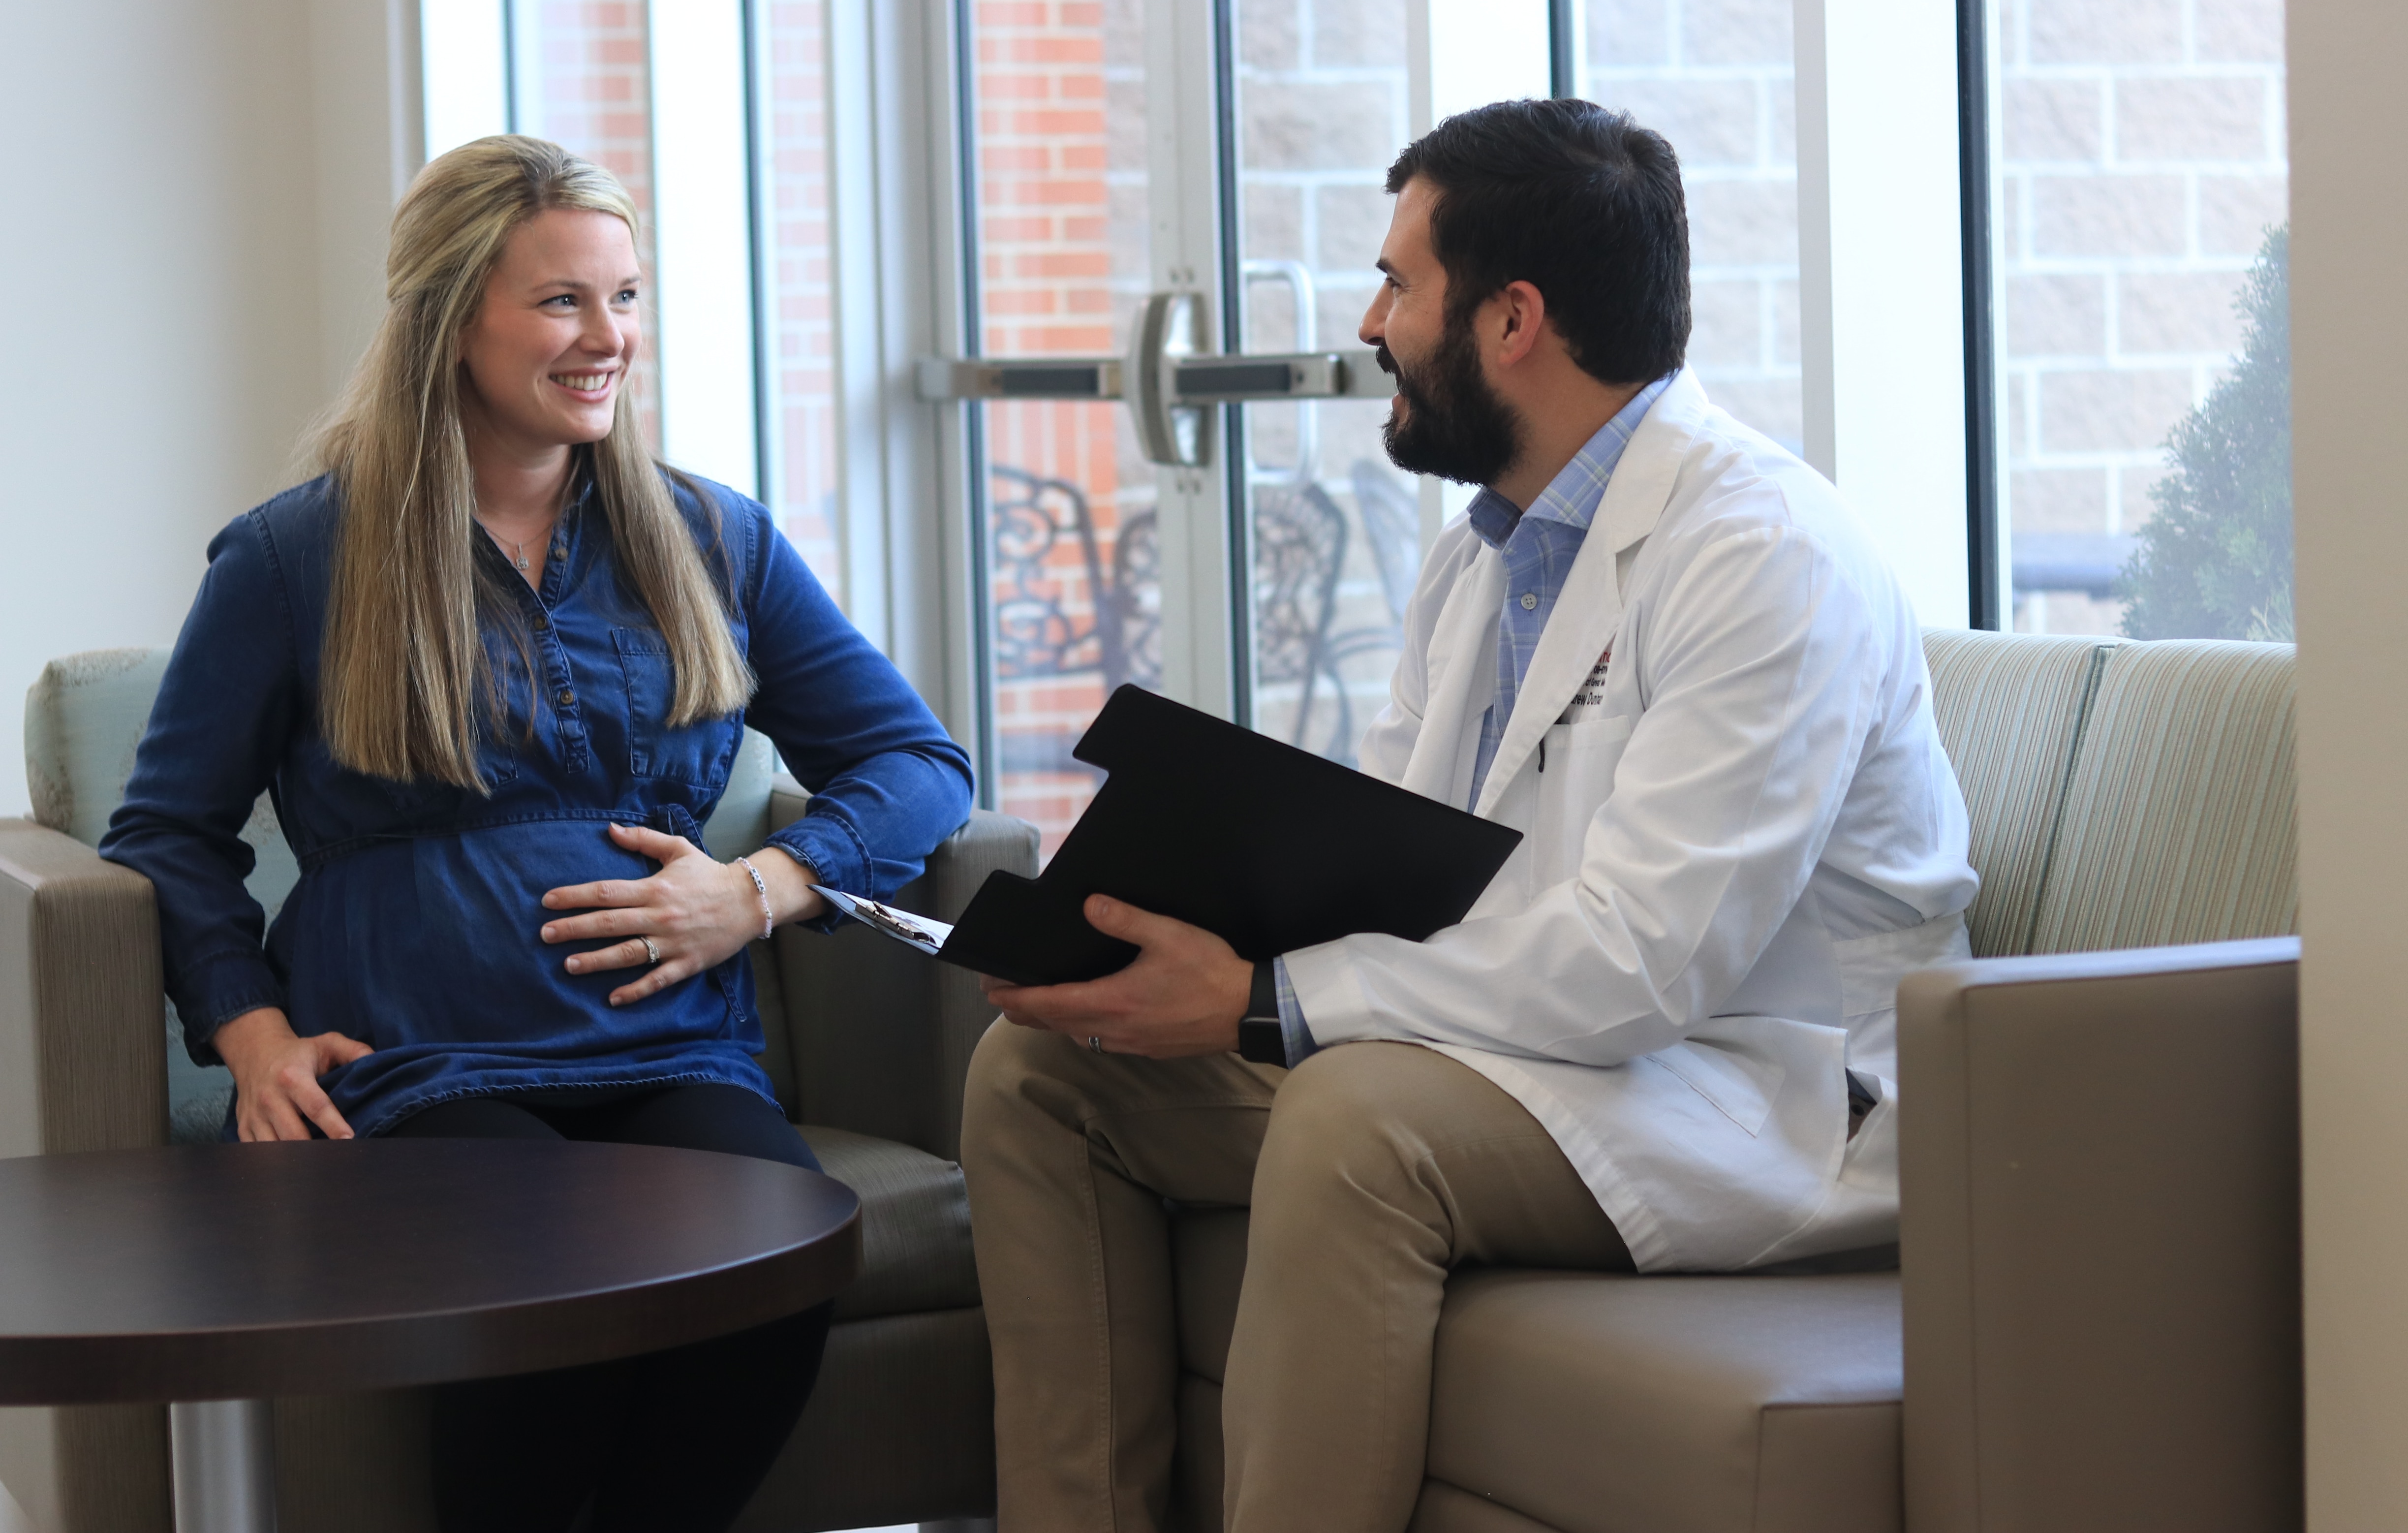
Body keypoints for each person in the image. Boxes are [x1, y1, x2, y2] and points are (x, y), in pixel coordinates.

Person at [959, 97, 1980, 1533]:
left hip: (1757, 1087)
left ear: (1513, 320)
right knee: (1042, 1075)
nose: (1374, 324)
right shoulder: (1488, 554)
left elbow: (1646, 962)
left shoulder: (1765, 556)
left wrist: (1261, 1001)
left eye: (1399, 283)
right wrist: (1199, 921)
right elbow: (1400, 862)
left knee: (1357, 1121)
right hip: (1533, 1049)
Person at [99, 134, 974, 1533]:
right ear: (451, 319)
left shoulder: (709, 533)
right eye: (563, 301)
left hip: (665, 1044)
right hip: (423, 1058)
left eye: (625, 298)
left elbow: (919, 760)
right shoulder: (295, 556)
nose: (607, 338)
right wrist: (249, 1034)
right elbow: (167, 829)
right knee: (542, 1300)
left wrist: (760, 889)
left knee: (781, 1258)